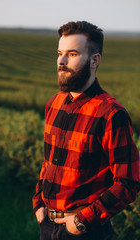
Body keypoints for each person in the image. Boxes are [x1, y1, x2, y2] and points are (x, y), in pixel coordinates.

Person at [33, 21, 140, 240]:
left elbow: (128, 183)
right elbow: (49, 162)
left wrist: (82, 221)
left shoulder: (111, 114)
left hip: (86, 231)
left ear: (94, 60)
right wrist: (38, 203)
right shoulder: (54, 104)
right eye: (60, 53)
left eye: (72, 54)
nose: (61, 61)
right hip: (47, 224)